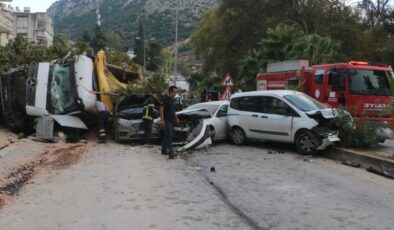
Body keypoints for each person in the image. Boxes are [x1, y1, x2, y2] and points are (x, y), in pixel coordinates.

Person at [160, 86, 179, 159]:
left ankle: (164, 150)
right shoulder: (165, 98)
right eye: (174, 92)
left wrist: (176, 118)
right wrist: (162, 121)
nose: (175, 93)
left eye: (176, 92)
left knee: (167, 135)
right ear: (170, 91)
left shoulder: (172, 99)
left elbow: (173, 110)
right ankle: (171, 152)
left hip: (172, 120)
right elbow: (161, 109)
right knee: (169, 135)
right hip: (166, 120)